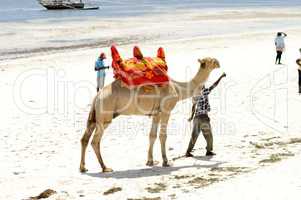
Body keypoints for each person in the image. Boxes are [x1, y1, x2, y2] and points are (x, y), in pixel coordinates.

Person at [186, 72, 226, 157]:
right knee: (209, 136)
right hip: (203, 117)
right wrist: (221, 77)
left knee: (194, 136)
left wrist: (191, 117)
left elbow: (193, 107)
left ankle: (188, 152)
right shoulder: (204, 92)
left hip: (196, 118)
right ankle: (208, 151)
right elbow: (214, 85)